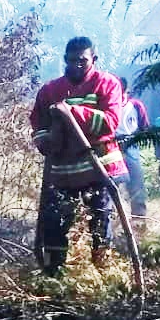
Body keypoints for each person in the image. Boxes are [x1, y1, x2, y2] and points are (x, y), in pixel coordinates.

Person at [29, 37, 127, 274]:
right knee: (54, 224)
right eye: (71, 61)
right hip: (63, 173)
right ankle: (54, 275)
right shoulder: (50, 91)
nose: (76, 65)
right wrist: (46, 141)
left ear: (94, 59)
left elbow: (110, 122)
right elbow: (38, 124)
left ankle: (103, 273)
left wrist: (72, 112)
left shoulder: (107, 84)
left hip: (99, 170)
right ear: (65, 60)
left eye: (82, 61)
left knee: (100, 223)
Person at [115, 77, 151, 220]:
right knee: (112, 183)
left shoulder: (135, 106)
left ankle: (139, 219)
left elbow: (145, 128)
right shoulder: (107, 105)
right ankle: (113, 219)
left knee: (136, 183)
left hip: (131, 145)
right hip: (112, 145)